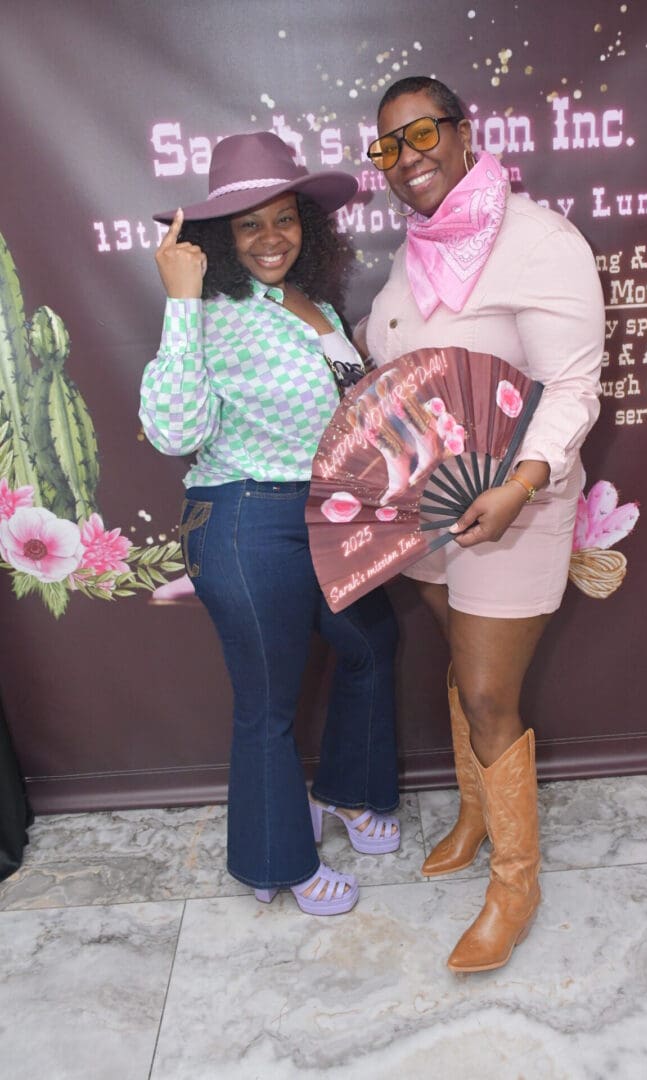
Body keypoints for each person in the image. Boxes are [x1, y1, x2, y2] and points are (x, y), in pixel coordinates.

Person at [364, 77, 604, 969]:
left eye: (422, 134)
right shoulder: (415, 252)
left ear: (467, 135)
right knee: (463, 672)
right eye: (388, 146)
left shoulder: (540, 241)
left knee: (491, 694)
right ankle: (472, 811)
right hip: (433, 507)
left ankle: (515, 882)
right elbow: (400, 356)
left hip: (516, 502)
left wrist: (526, 479)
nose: (407, 158)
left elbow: (574, 383)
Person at [140, 132, 400, 917]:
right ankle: (275, 861)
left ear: (306, 227)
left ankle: (348, 793)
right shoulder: (210, 314)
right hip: (247, 516)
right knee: (268, 704)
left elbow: (353, 409)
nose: (270, 239)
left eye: (283, 219)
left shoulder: (315, 304)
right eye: (249, 225)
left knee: (371, 645)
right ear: (219, 237)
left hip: (330, 512)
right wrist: (179, 302)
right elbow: (173, 431)